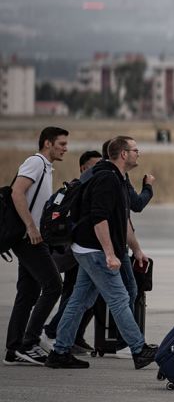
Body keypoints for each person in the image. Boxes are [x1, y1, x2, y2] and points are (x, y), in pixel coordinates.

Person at [45, 136, 158, 370]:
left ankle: (60, 351)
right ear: (123, 154)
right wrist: (109, 253)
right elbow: (99, 218)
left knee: (79, 301)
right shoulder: (107, 178)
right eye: (135, 150)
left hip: (88, 248)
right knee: (119, 298)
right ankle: (139, 349)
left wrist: (135, 249)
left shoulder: (116, 177)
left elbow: (122, 218)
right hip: (95, 250)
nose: (139, 153)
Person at [4, 126, 68, 366]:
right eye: (61, 144)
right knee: (53, 285)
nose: (65, 148)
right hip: (30, 238)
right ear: (48, 143)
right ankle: (29, 342)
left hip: (33, 237)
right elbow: (17, 193)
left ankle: (14, 349)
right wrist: (31, 227)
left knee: (28, 293)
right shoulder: (36, 162)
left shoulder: (46, 167)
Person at [42, 150, 103, 352]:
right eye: (94, 166)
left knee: (73, 292)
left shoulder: (78, 188)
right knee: (81, 295)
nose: (98, 170)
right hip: (76, 250)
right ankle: (59, 331)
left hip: (73, 250)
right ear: (83, 168)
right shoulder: (81, 190)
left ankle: (71, 335)